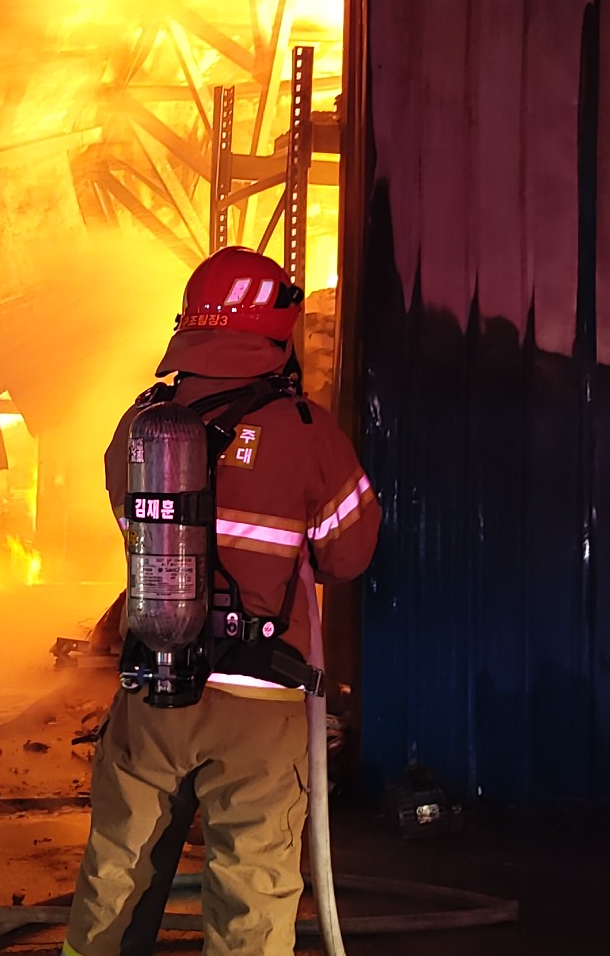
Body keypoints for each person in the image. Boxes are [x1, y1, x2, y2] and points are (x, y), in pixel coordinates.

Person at [65, 247, 379, 956]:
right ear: (277, 329)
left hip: (154, 681)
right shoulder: (308, 431)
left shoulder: (142, 424)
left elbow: (131, 529)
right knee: (251, 891)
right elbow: (349, 556)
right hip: (260, 705)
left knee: (116, 875)